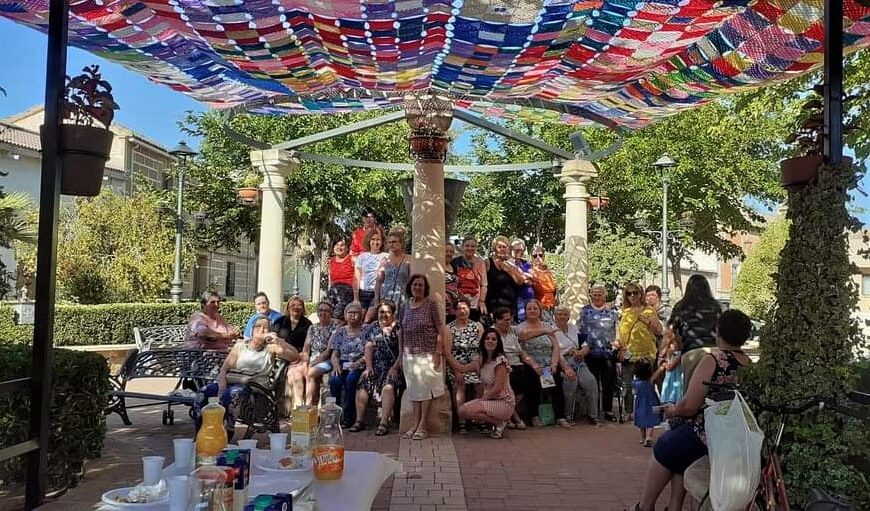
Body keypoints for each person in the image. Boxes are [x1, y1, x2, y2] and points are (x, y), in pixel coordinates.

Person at [634, 309, 754, 511]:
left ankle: (645, 506)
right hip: (734, 432)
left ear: (719, 331)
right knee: (679, 446)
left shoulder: (714, 360)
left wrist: (672, 410)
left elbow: (690, 406)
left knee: (664, 446)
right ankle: (674, 506)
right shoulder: (748, 364)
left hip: (710, 431)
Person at [193, 315, 298, 440]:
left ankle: (225, 433)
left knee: (233, 393)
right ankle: (201, 434)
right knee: (202, 393)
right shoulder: (240, 346)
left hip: (255, 391)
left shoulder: (271, 348)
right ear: (252, 330)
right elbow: (224, 370)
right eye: (258, 326)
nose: (262, 329)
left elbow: (294, 356)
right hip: (233, 383)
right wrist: (221, 389)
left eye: (266, 327)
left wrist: (278, 341)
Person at [399, 274, 448, 440]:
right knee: (414, 391)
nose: (417, 287)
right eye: (415, 284)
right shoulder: (405, 305)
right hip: (409, 355)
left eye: (420, 285)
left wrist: (438, 352)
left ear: (425, 288)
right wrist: (400, 354)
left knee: (426, 391)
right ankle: (414, 424)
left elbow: (440, 329)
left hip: (427, 354)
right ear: (410, 287)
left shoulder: (431, 304)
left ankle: (423, 425)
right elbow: (401, 331)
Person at [518, 299, 575, 428]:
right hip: (532, 363)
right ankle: (534, 416)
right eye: (529, 308)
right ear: (525, 311)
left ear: (540, 311)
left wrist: (554, 364)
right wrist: (534, 364)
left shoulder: (547, 325)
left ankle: (560, 417)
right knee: (534, 384)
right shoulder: (521, 327)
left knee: (556, 384)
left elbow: (555, 346)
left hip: (548, 363)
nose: (532, 311)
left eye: (535, 308)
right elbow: (521, 348)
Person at [450, 328, 516, 439]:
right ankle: (498, 422)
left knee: (468, 410)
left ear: (498, 343)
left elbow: (498, 388)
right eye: (487, 338)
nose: (490, 341)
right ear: (483, 341)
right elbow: (461, 368)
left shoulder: (500, 362)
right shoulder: (480, 361)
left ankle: (500, 422)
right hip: (489, 400)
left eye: (493, 339)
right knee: (462, 411)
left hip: (504, 402)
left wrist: (481, 400)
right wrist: (447, 354)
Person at [350, 300, 402, 435]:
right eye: (381, 312)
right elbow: (368, 347)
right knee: (363, 383)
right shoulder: (373, 327)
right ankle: (359, 420)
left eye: (387, 312)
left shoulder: (399, 329)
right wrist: (368, 367)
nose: (383, 315)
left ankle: (384, 422)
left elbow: (402, 352)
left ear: (393, 314)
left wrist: (395, 368)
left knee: (388, 387)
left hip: (392, 366)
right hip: (375, 364)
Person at [615, 282, 662, 418]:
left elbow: (659, 331)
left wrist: (647, 321)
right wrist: (619, 346)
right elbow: (620, 332)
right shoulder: (624, 312)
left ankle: (648, 410)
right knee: (627, 384)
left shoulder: (649, 310)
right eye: (629, 293)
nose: (632, 296)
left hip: (646, 352)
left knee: (646, 384)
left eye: (635, 293)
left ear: (641, 294)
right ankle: (629, 412)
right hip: (628, 351)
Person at [669, 275, 723, 389]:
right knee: (715, 387)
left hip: (691, 351)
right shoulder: (716, 306)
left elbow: (672, 330)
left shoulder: (681, 306)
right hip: (714, 350)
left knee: (691, 388)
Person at [577, 284, 620, 421]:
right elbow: (579, 331)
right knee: (593, 383)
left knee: (608, 383)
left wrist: (617, 342)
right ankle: (593, 412)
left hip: (608, 352)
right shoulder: (584, 311)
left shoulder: (613, 313)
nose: (597, 297)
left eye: (599, 295)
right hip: (590, 353)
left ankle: (608, 411)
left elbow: (617, 330)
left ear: (604, 296)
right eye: (594, 295)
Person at [553, 306, 600, 426]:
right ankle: (568, 415)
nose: (562, 317)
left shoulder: (574, 328)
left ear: (568, 317)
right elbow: (555, 352)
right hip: (561, 360)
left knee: (590, 381)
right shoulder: (552, 330)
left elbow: (585, 345)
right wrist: (566, 368)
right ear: (555, 316)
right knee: (570, 381)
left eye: (565, 314)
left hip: (577, 359)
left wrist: (581, 352)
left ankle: (593, 415)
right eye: (559, 314)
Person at [492, 306, 538, 430]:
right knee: (510, 385)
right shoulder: (492, 333)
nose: (509, 322)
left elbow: (523, 348)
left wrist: (533, 364)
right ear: (497, 320)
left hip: (518, 364)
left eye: (510, 319)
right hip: (502, 366)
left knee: (531, 378)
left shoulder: (512, 330)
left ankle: (508, 415)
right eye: (506, 320)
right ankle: (514, 417)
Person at [446, 297, 484, 434]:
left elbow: (482, 349)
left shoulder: (478, 326)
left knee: (480, 384)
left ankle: (479, 418)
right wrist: (457, 370)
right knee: (459, 386)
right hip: (456, 364)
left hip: (475, 364)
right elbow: (447, 353)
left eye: (464, 308)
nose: (462, 311)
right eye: (458, 309)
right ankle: (461, 420)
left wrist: (479, 365)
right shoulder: (449, 328)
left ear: (469, 309)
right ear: (454, 311)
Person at [328, 301, 368, 427]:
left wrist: (359, 362)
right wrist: (335, 365)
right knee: (334, 380)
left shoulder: (366, 330)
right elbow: (334, 353)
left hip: (359, 363)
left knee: (351, 380)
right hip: (342, 363)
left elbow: (369, 352)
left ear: (361, 315)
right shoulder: (340, 331)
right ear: (345, 315)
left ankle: (348, 418)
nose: (353, 315)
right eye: (350, 312)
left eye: (356, 313)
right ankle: (334, 416)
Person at [271, 296, 312, 413]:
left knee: (295, 375)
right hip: (281, 354)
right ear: (288, 308)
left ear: (303, 308)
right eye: (293, 305)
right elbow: (272, 337)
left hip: (298, 357)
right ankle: (295, 408)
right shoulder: (280, 321)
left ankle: (297, 408)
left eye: (299, 305)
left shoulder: (307, 324)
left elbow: (308, 345)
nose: (296, 308)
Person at [302, 301, 336, 406]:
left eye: (326, 311)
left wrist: (313, 363)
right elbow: (306, 347)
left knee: (311, 373)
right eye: (320, 310)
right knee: (307, 374)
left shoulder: (334, 328)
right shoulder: (312, 328)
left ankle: (308, 405)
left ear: (331, 313)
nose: (323, 313)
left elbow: (328, 351)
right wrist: (305, 362)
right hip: (313, 358)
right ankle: (313, 406)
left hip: (327, 360)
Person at [485, 236, 525, 320]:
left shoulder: (512, 263)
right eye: (499, 247)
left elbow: (520, 281)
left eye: (504, 247)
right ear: (494, 249)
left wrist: (509, 270)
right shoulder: (488, 263)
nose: (502, 249)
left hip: (510, 306)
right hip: (493, 306)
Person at [451, 236, 488, 321]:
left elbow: (484, 284)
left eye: (473, 246)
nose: (470, 248)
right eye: (467, 246)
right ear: (462, 247)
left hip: (475, 303)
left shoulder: (480, 263)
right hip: (459, 303)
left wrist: (481, 301)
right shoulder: (455, 262)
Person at [376, 227, 411, 315]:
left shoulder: (409, 259)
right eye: (390, 242)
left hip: (403, 298)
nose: (392, 244)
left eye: (394, 242)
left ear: (401, 243)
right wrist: (376, 299)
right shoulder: (385, 260)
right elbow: (379, 281)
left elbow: (412, 280)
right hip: (386, 298)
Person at [354, 230, 388, 319]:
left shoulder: (387, 256)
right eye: (373, 239)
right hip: (363, 293)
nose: (375, 242)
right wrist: (356, 299)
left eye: (378, 240)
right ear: (368, 241)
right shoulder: (362, 256)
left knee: (367, 319)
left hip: (377, 293)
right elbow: (357, 278)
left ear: (382, 242)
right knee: (358, 319)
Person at [656, 319, 685, 407]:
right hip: (671, 380)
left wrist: (668, 358)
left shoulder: (679, 354)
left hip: (676, 380)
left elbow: (669, 366)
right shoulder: (669, 348)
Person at [633, 359, 661, 447]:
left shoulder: (635, 382)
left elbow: (634, 392)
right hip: (651, 402)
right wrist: (662, 366)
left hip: (640, 404)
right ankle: (649, 437)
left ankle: (643, 437)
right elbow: (658, 373)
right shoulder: (650, 380)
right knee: (650, 420)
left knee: (641, 420)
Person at [327, 238, 354, 325]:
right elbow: (331, 280)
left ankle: (336, 322)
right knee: (327, 306)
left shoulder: (352, 259)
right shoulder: (331, 261)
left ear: (347, 248)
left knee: (338, 311)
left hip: (348, 290)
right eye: (337, 245)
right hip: (334, 291)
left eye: (342, 245)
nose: (339, 247)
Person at [530, 244, 558, 323]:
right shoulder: (531, 271)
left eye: (540, 255)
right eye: (535, 256)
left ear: (544, 256)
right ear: (531, 257)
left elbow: (554, 287)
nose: (538, 257)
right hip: (540, 309)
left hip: (552, 307)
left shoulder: (547, 270)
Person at [510, 239, 535, 322]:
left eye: (522, 250)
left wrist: (523, 276)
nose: (520, 252)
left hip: (530, 297)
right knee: (522, 321)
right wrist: (525, 277)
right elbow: (519, 279)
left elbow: (533, 277)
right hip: (518, 298)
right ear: (511, 249)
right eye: (517, 250)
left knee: (532, 321)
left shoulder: (525, 263)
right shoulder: (509, 263)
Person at [645, 285, 671, 361]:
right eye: (648, 295)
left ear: (659, 297)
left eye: (653, 295)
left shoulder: (667, 312)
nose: (650, 298)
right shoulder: (644, 313)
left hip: (662, 349)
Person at [445, 242, 461, 323]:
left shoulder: (454, 266)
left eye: (451, 252)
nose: (449, 253)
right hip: (444, 304)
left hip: (454, 305)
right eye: (446, 251)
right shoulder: (438, 267)